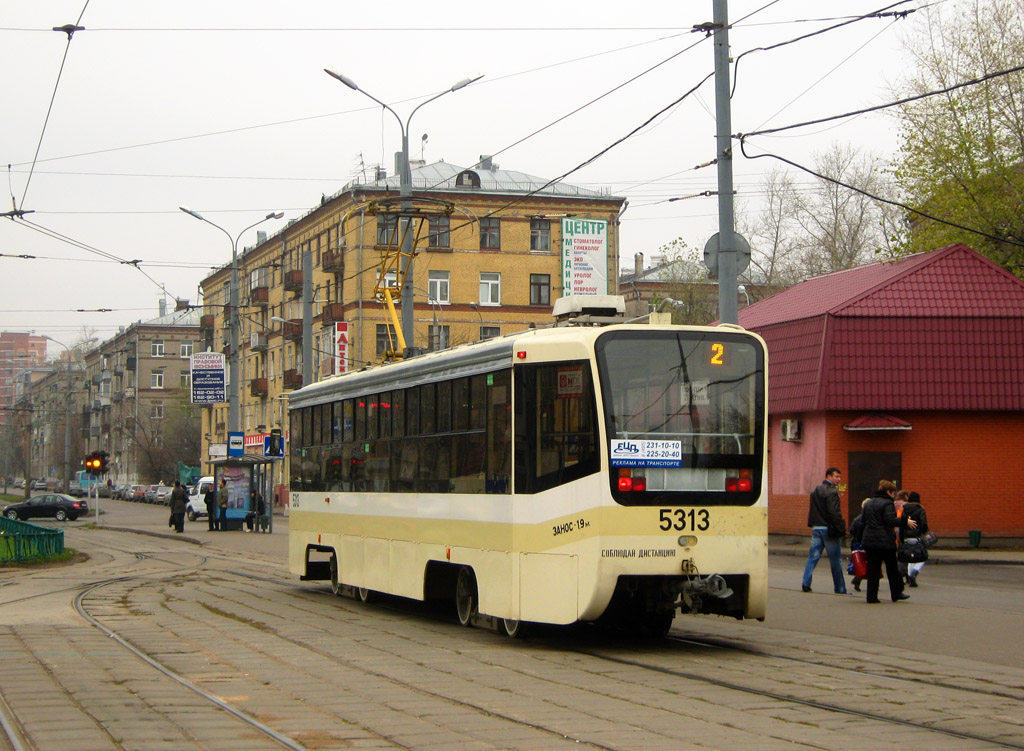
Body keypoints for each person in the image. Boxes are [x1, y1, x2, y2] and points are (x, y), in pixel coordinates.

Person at [860, 479, 917, 603]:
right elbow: (890, 520)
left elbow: (863, 520)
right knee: (892, 568)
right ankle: (896, 593)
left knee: (873, 570)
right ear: (888, 492)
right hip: (885, 541)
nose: (894, 496)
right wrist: (904, 521)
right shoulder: (887, 504)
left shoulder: (869, 503)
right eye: (893, 493)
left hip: (870, 540)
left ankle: (872, 597)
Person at [801, 467, 848, 594]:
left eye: (839, 477)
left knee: (813, 556)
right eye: (836, 476)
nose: (839, 479)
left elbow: (813, 509)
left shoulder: (815, 490)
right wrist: (841, 528)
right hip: (829, 528)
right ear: (828, 476)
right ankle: (840, 588)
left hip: (816, 527)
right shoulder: (832, 491)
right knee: (835, 560)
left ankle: (806, 582)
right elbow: (834, 512)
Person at [901, 491, 929, 587]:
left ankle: (909, 576)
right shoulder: (920, 510)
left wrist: (901, 538)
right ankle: (914, 573)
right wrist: (924, 531)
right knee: (922, 557)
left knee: (909, 557)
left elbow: (901, 524)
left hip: (906, 537)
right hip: (917, 537)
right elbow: (924, 524)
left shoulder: (904, 510)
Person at [848, 499, 869, 592]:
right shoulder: (870, 519)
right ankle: (858, 579)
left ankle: (857, 578)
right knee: (868, 562)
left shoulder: (857, 519)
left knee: (859, 562)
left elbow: (852, 531)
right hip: (866, 543)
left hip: (856, 542)